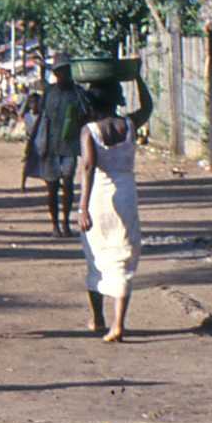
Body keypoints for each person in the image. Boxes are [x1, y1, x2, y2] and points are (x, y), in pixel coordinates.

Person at [74, 77, 152, 342]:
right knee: (122, 257)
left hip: (99, 197)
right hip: (126, 195)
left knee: (96, 255)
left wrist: (82, 207)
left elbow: (88, 167)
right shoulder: (129, 125)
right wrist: (138, 77)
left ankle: (97, 318)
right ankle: (118, 324)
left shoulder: (90, 130)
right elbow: (148, 106)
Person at [25, 56, 88, 237]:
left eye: (66, 71)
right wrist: (32, 143)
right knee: (52, 188)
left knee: (68, 185)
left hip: (69, 147)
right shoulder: (49, 92)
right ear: (55, 73)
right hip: (49, 147)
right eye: (60, 71)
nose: (63, 74)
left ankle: (65, 224)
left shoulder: (78, 93)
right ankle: (55, 226)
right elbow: (41, 118)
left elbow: (86, 115)